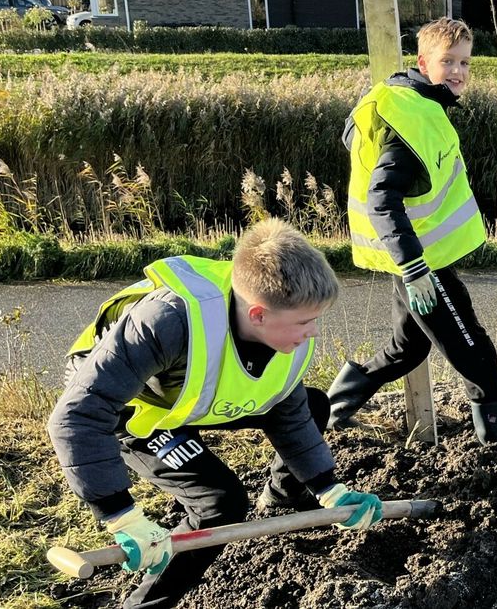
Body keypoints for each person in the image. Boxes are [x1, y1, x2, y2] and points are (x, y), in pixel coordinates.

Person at [48, 219, 383, 609]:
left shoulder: (285, 328)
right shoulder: (168, 321)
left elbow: (289, 415)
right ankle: (143, 605)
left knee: (310, 403)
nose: (313, 333)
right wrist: (121, 516)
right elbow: (78, 417)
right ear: (258, 314)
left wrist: (330, 488)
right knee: (220, 503)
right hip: (136, 410)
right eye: (305, 322)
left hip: (191, 398)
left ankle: (284, 499)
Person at [329, 17, 497, 444]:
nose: (458, 71)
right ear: (423, 62)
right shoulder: (411, 120)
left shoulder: (417, 103)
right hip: (421, 266)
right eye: (447, 61)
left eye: (465, 62)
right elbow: (381, 199)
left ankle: (329, 410)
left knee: (407, 349)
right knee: (476, 354)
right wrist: (414, 270)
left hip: (418, 259)